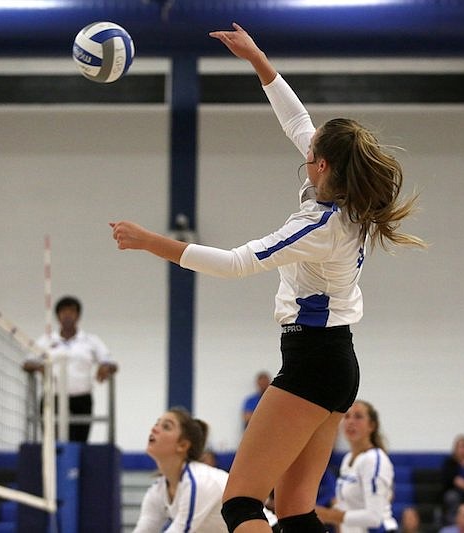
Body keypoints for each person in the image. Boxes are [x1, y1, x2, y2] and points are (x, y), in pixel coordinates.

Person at [110, 21, 424, 533]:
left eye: (311, 151)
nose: (304, 147)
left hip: (313, 361)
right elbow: (296, 119)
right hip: (336, 360)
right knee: (298, 511)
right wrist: (258, 60)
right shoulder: (342, 200)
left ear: (320, 165)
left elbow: (235, 263)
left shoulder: (318, 225)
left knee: (240, 503)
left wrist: (151, 242)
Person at [134, 408, 278, 532]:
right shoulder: (157, 490)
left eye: (166, 426)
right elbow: (144, 529)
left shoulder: (198, 481)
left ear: (183, 445)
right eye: (156, 424)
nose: (154, 429)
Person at [23, 295, 117, 442]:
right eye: (63, 312)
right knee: (51, 443)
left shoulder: (90, 340)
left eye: (71, 312)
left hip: (81, 398)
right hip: (52, 398)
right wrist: (39, 366)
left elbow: (112, 363)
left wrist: (105, 366)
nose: (67, 316)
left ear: (78, 316)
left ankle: (75, 466)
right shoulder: (46, 340)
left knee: (80, 442)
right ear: (58, 316)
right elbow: (27, 363)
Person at [315, 399, 399, 533]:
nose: (351, 422)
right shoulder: (348, 459)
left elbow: (374, 518)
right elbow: (347, 507)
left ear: (372, 425)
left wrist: (327, 515)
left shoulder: (374, 459)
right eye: (347, 416)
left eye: (358, 416)